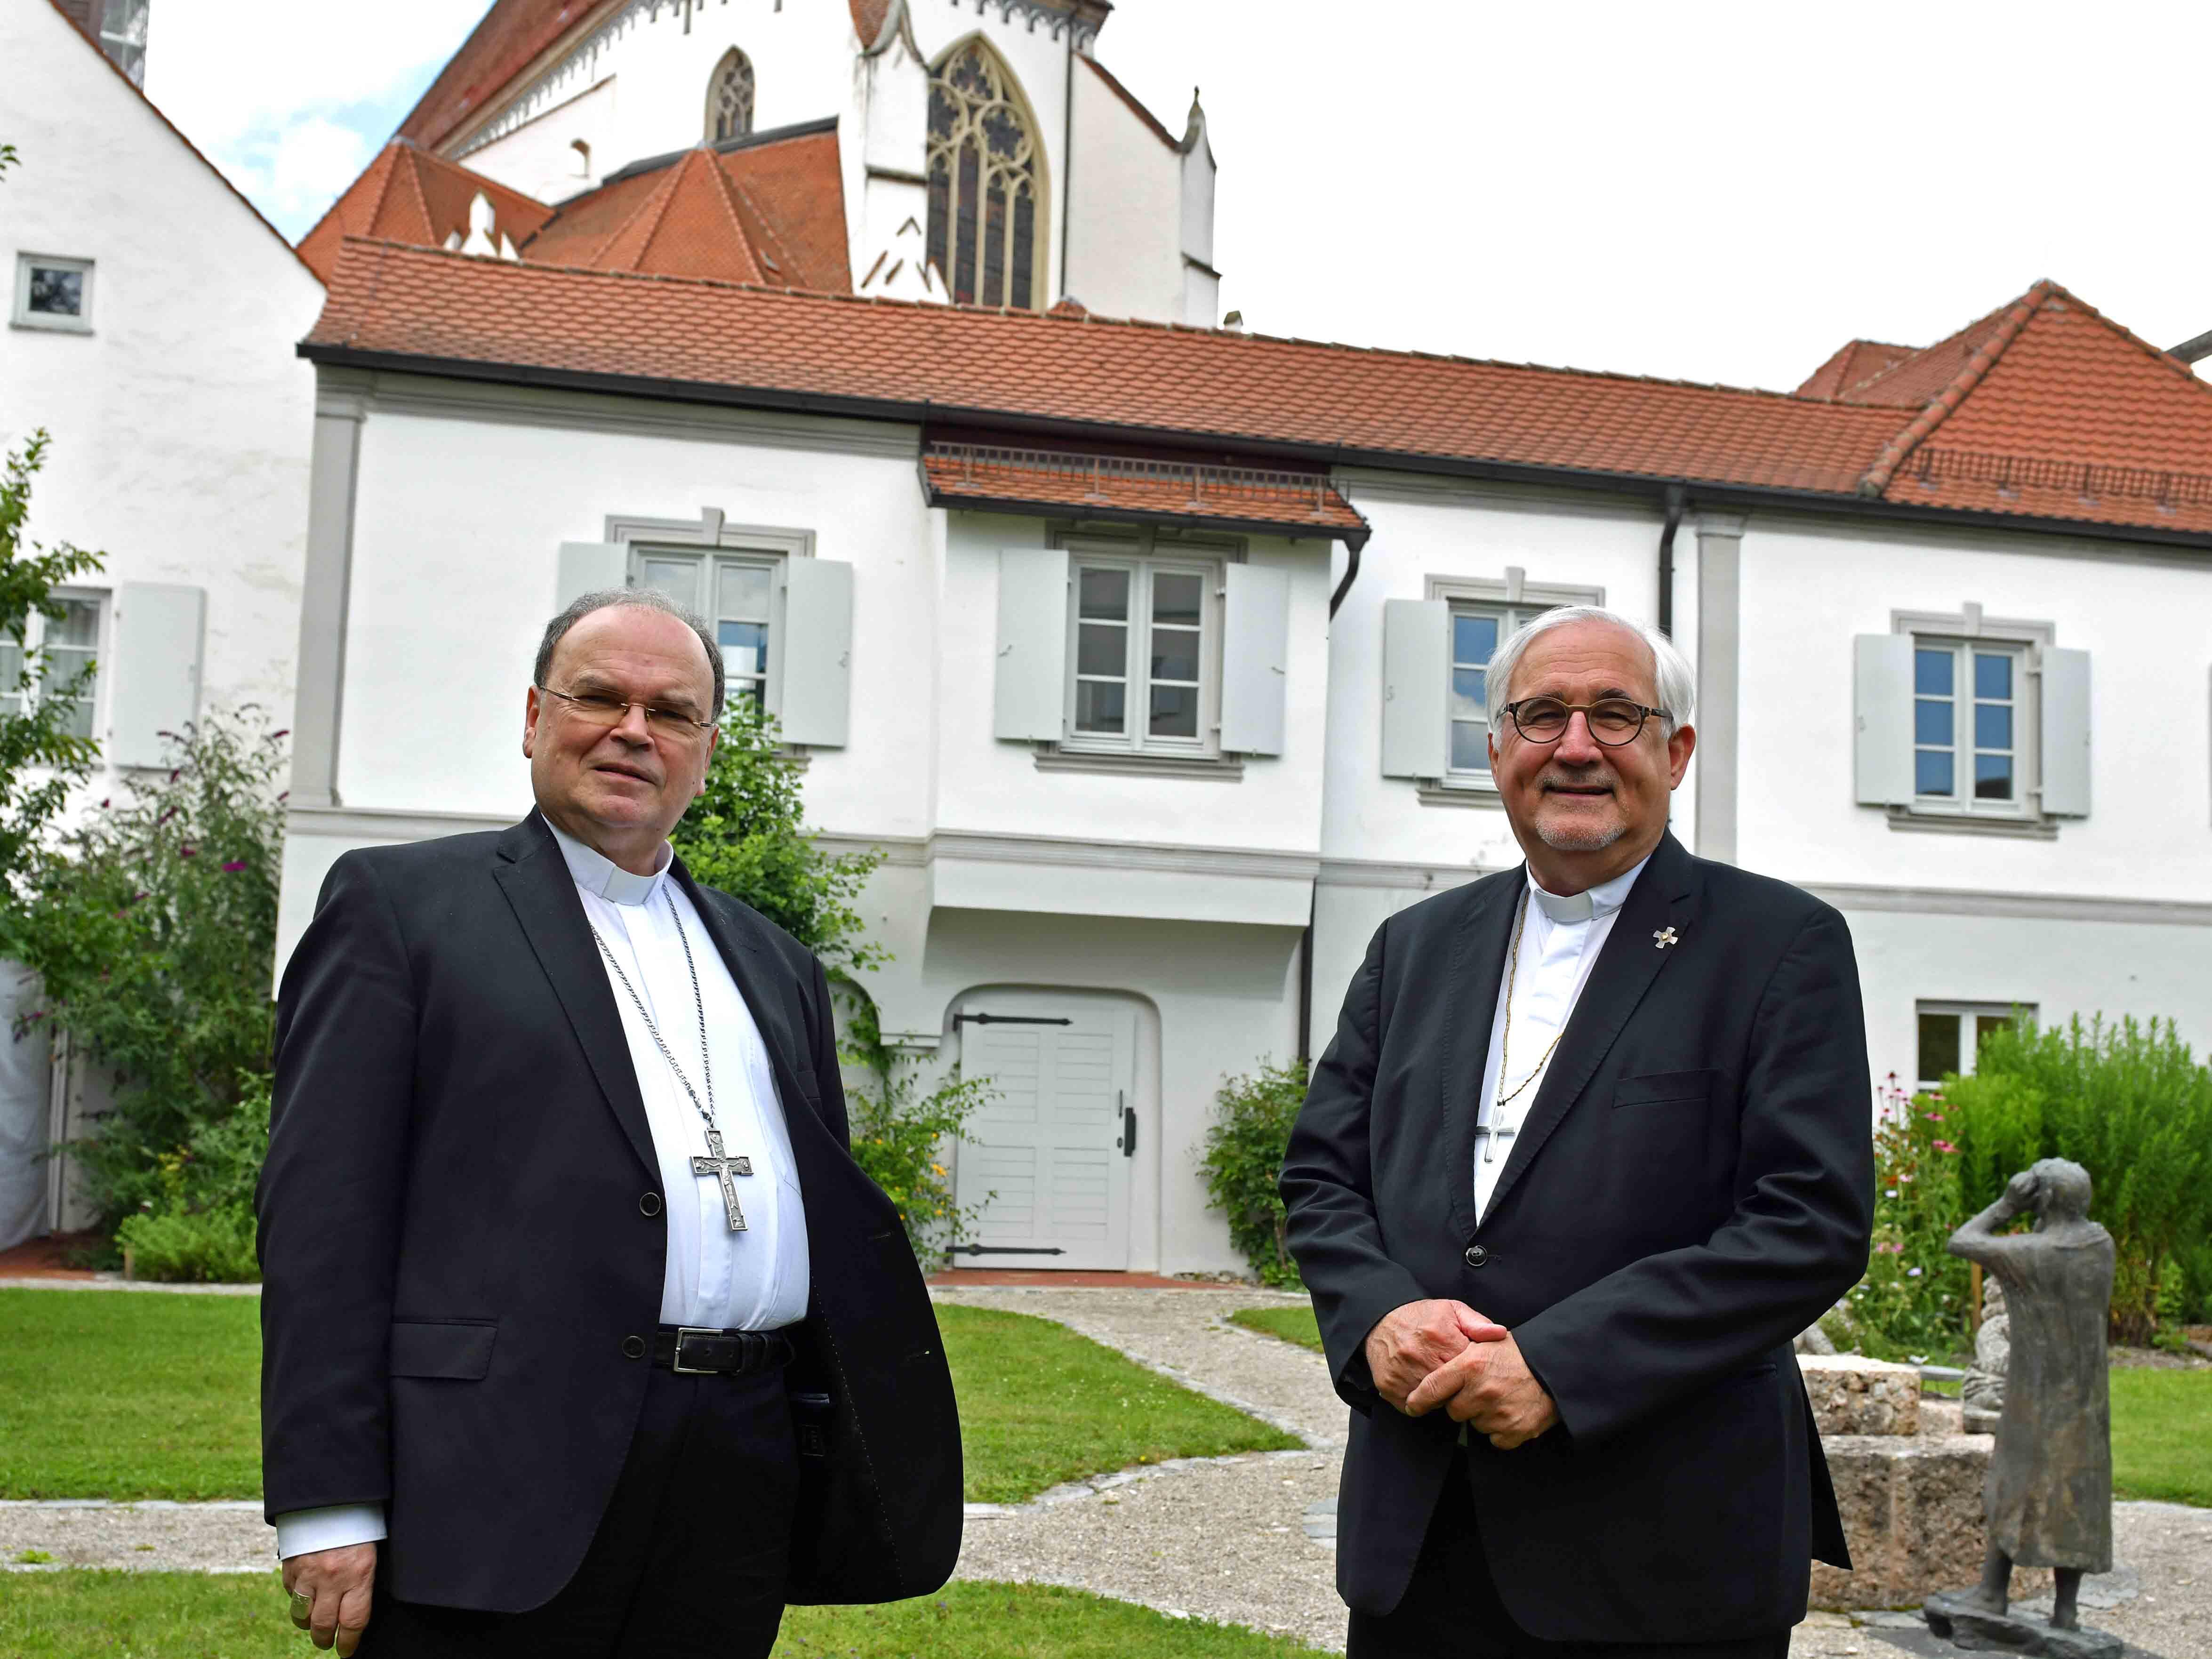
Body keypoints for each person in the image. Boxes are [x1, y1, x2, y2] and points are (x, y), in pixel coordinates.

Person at [259, 590, 961, 1657]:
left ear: (705, 754)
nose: (634, 731)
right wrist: (329, 1501)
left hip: (736, 1470)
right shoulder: (404, 909)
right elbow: (324, 1220)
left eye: (671, 712)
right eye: (600, 698)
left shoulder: (775, 963)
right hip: (494, 1470)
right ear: (534, 717)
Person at [1282, 605, 1875, 1658]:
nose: (1576, 746)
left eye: (1615, 713)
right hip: (1420, 1536)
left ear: (1674, 751)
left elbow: (1807, 1222)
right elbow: (1323, 1177)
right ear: (1497, 749)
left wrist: (1559, 1367)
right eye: (1542, 714)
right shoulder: (1413, 946)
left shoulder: (1780, 945)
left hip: (1662, 1551)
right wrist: (1379, 1318)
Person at [1938, 1159, 2114, 1633]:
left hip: (2033, 1397)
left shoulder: (2034, 1252)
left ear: (2043, 1199)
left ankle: (1992, 1592)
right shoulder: (2100, 1245)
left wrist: (2006, 1205)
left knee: (2011, 1484)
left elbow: (1962, 1241)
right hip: (2085, 1402)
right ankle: (2065, 1611)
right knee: (2076, 1494)